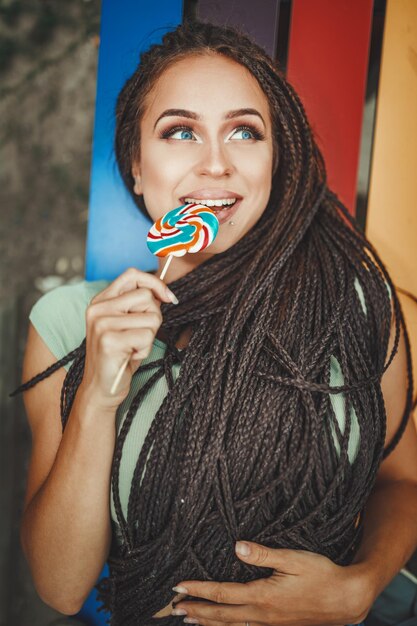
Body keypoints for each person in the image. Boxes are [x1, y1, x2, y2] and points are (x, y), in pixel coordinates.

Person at [14, 20, 417, 626]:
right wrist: (97, 394)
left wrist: (357, 588)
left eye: (244, 132)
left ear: (275, 162)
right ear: (136, 167)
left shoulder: (356, 303)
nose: (216, 164)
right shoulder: (70, 322)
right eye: (181, 131)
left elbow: (403, 482)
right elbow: (61, 587)